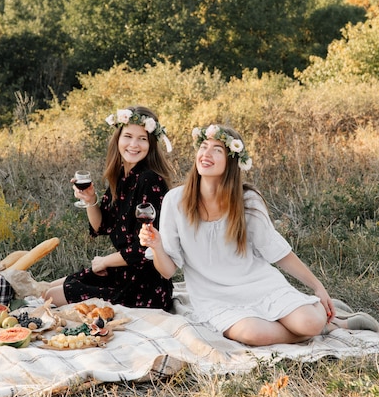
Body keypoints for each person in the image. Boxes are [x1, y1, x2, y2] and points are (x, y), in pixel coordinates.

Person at [139, 123, 379, 346]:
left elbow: (277, 252)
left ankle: (320, 319)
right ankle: (328, 325)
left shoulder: (247, 201)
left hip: (259, 285)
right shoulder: (175, 200)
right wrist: (157, 246)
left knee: (308, 322)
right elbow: (168, 270)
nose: (206, 154)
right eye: (203, 147)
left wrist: (317, 286)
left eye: (217, 150)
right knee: (253, 334)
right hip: (214, 298)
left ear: (232, 161)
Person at [45, 106, 174, 310]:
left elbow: (145, 248)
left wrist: (105, 261)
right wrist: (90, 199)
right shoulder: (123, 176)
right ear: (118, 138)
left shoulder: (149, 180)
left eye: (142, 138)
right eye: (128, 136)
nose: (134, 144)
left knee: (51, 295)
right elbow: (101, 226)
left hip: (144, 285)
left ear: (150, 144)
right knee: (50, 287)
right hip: (122, 272)